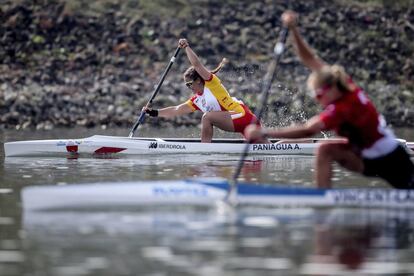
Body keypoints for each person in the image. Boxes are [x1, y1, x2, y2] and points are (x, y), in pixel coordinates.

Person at [245, 11, 414, 189]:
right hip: (363, 156)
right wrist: (293, 30)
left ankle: (324, 197)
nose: (318, 99)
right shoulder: (341, 83)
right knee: (325, 149)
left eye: (319, 95)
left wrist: (265, 133)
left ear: (331, 88)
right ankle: (322, 196)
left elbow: (307, 131)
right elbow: (309, 58)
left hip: (390, 159)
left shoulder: (345, 106)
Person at [144, 38, 260, 143]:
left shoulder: (211, 83)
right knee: (269, 149)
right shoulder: (196, 100)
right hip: (245, 123)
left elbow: (197, 65)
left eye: (189, 84)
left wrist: (186, 47)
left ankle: (204, 148)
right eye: (186, 85)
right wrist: (153, 112)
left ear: (198, 80)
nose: (188, 87)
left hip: (243, 116)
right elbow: (176, 110)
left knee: (207, 117)